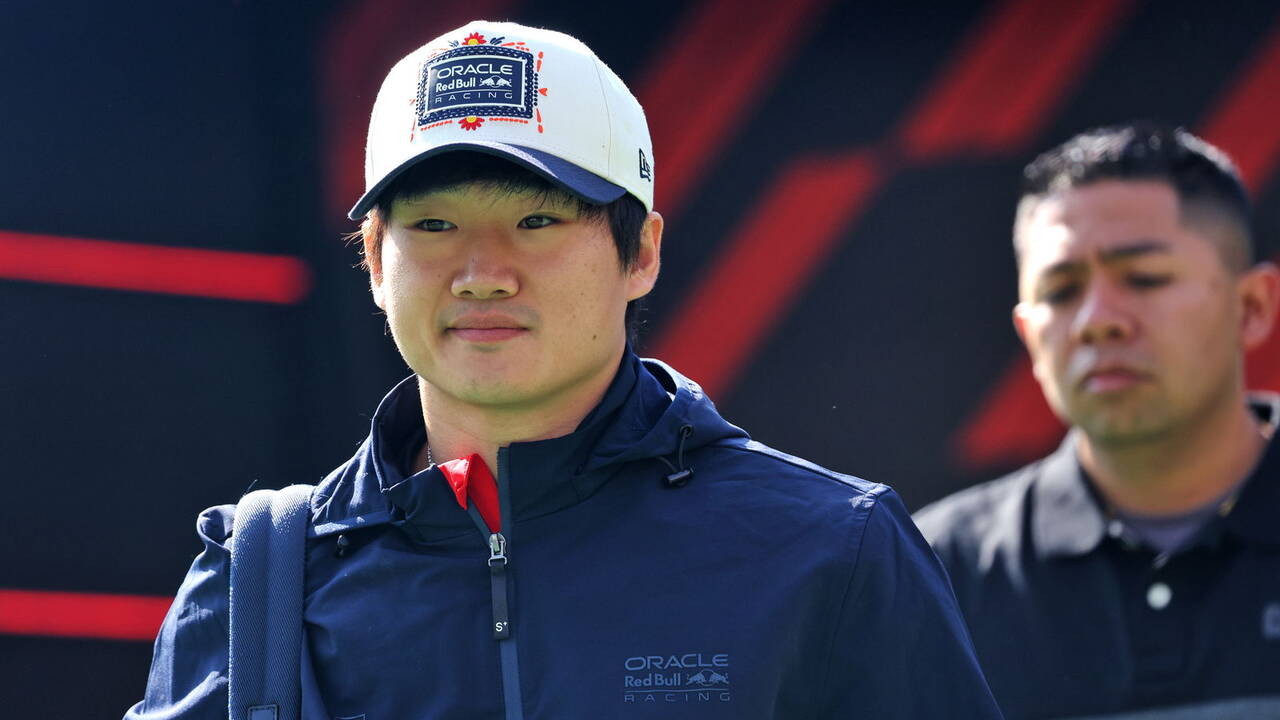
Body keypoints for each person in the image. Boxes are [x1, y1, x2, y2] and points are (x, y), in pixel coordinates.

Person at [125, 20, 1001, 720]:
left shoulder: (831, 548)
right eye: (433, 226)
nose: (482, 273)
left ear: (642, 253)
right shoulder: (256, 585)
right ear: (375, 262)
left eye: (537, 221)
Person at [915, 124, 1280, 719]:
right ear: (1029, 335)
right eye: (1061, 290)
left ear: (1252, 306)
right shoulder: (935, 574)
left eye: (1145, 278)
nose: (1097, 320)